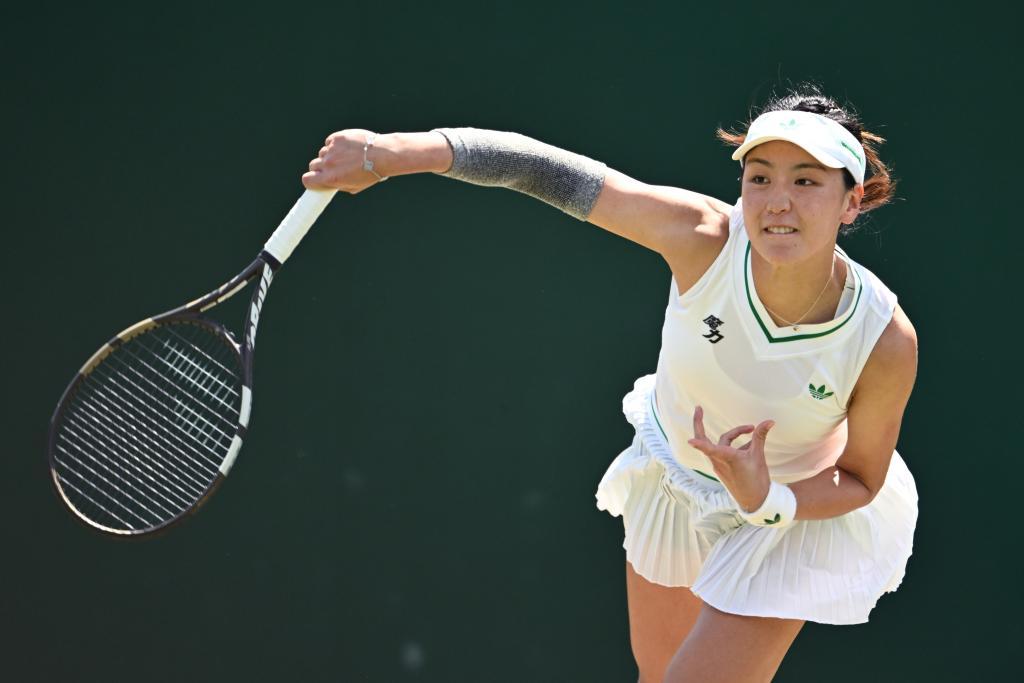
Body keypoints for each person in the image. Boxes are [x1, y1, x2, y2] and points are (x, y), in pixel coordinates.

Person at [301, 85, 919, 683]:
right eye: (760, 178)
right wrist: (393, 153)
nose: (776, 202)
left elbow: (861, 477)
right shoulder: (701, 238)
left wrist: (768, 499)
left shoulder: (884, 338)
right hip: (675, 482)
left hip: (789, 513)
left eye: (805, 182)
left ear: (851, 202)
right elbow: (544, 171)